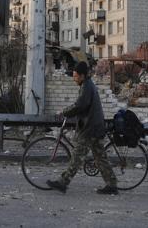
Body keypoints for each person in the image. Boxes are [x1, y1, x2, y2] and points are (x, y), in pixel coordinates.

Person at [46, 61, 119, 195]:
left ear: (83, 76)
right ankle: (112, 184)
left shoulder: (87, 87)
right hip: (94, 126)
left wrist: (64, 112)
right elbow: (80, 105)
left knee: (77, 156)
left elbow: (80, 105)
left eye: (76, 76)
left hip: (90, 128)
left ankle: (63, 182)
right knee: (100, 157)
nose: (74, 79)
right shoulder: (87, 85)